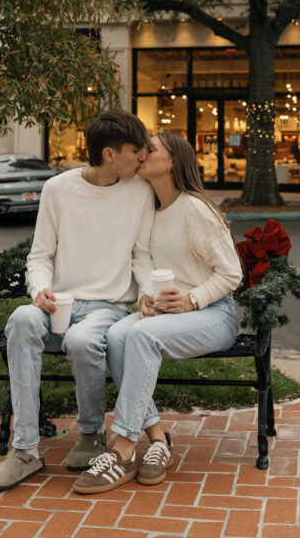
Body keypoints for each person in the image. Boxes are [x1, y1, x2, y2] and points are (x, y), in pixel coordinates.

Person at [0, 109, 155, 492]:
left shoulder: (139, 191)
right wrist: (38, 289)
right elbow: (40, 255)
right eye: (135, 150)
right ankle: (25, 449)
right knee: (21, 320)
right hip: (58, 303)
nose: (142, 156)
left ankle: (91, 433)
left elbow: (141, 255)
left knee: (82, 340)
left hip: (107, 307)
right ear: (110, 154)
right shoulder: (58, 189)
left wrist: (146, 294)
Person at [73, 132, 243, 494]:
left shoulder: (196, 209)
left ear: (172, 162)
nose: (141, 154)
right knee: (118, 334)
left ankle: (121, 448)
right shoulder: (153, 207)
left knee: (141, 335)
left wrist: (192, 300)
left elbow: (231, 273)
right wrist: (147, 298)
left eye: (150, 150)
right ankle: (158, 441)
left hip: (214, 313)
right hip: (170, 313)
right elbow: (145, 260)